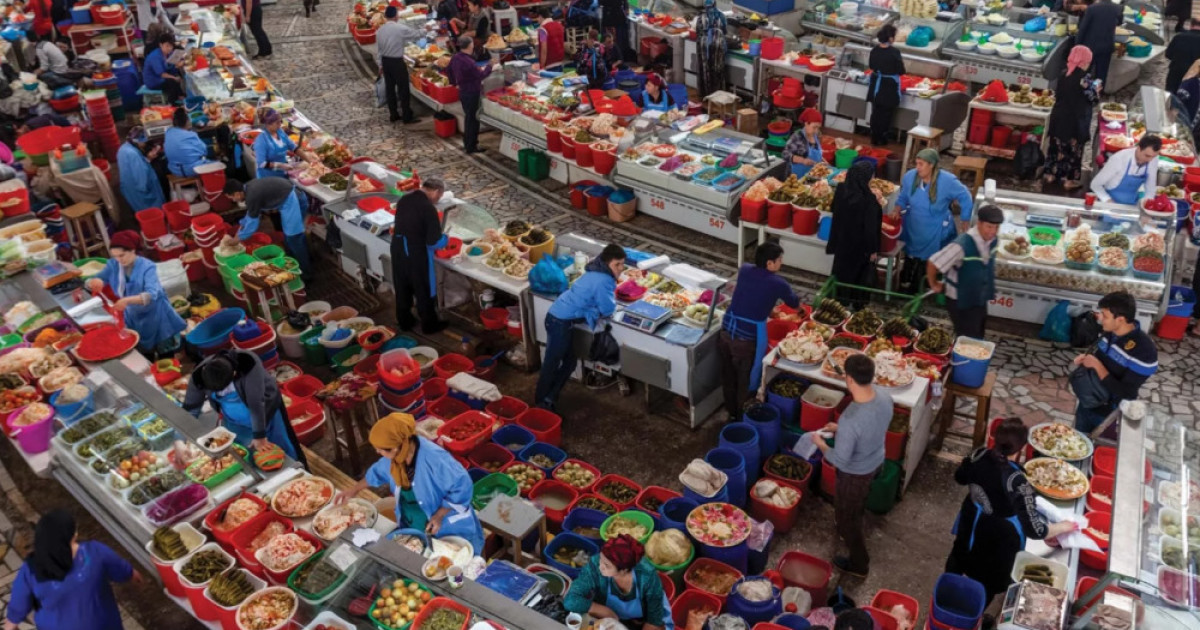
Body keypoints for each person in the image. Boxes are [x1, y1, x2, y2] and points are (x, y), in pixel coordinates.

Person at [945, 418, 1078, 615]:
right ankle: (971, 616)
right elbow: (1036, 530)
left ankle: (947, 600)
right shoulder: (1017, 481)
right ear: (1021, 450)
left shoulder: (978, 456)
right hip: (999, 539)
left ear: (994, 439)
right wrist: (1064, 527)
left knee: (961, 556)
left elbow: (960, 477)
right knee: (986, 580)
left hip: (971, 521)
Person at [337, 412, 485, 554]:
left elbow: (463, 486)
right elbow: (378, 472)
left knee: (453, 558)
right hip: (414, 520)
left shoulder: (436, 459)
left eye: (380, 450)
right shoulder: (397, 457)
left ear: (396, 447)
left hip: (446, 525)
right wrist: (354, 489)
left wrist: (440, 514)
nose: (377, 452)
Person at [811, 354, 893, 578]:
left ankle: (859, 564)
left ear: (848, 379)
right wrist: (840, 430)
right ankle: (855, 515)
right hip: (877, 460)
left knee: (848, 520)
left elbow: (840, 460)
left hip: (855, 474)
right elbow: (871, 427)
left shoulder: (851, 418)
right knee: (858, 504)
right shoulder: (885, 396)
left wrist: (821, 445)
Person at [5, 509, 141, 630]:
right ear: (73, 535)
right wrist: (136, 578)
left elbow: (17, 606)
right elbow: (125, 572)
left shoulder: (31, 569)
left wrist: (12, 623)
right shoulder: (95, 553)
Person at [535, 243, 624, 412]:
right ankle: (541, 403)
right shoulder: (604, 280)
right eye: (616, 264)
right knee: (552, 364)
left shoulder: (596, 270)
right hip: (559, 322)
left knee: (569, 362)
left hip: (557, 317)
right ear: (607, 263)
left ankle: (550, 397)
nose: (621, 268)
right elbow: (607, 309)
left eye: (622, 264)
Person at [720, 242, 801, 419]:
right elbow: (794, 302)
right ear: (769, 264)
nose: (781, 263)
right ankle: (741, 417)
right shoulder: (778, 283)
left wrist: (770, 310)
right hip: (745, 339)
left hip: (726, 331)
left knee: (729, 375)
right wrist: (798, 308)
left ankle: (731, 411)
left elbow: (752, 294)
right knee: (745, 379)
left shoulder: (745, 269)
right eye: (779, 259)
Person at [183, 349, 307, 463]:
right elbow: (190, 410)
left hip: (266, 413)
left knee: (282, 452)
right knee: (246, 456)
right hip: (233, 420)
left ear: (234, 374)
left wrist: (259, 436)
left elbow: (256, 403)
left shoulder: (248, 363)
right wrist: (180, 441)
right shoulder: (198, 377)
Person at [86, 231, 186, 357]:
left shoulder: (147, 267)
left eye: (122, 255)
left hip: (156, 315)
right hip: (134, 317)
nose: (119, 259)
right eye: (115, 256)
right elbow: (95, 279)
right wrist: (94, 281)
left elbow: (151, 294)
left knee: (165, 355)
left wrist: (127, 301)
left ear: (133, 250)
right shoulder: (113, 265)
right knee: (143, 353)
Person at [1072, 291, 1158, 432]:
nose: (1100, 319)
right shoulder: (1109, 332)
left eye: (1105, 316)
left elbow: (1127, 392)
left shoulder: (1144, 351)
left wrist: (1097, 366)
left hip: (1109, 413)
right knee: (1078, 439)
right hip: (1089, 399)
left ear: (1120, 319)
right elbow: (1100, 357)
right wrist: (1086, 359)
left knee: (1100, 446)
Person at [893, 148, 975, 294]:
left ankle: (921, 284)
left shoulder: (947, 181)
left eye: (921, 164)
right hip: (914, 223)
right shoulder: (910, 177)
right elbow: (903, 196)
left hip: (934, 226)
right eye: (916, 163)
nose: (917, 167)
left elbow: (965, 196)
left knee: (928, 258)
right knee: (911, 254)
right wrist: (897, 210)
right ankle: (905, 281)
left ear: (932, 165)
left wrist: (965, 219)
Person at [564, 535, 673, 630]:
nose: (600, 566)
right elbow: (571, 600)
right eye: (601, 559)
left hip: (639, 622)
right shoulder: (595, 566)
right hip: (604, 619)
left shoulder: (647, 577)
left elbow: (653, 621)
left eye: (606, 565)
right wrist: (604, 611)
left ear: (624, 570)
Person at [926, 204, 1003, 339]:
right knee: (967, 339)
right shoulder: (961, 245)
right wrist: (934, 284)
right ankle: (960, 359)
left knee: (978, 332)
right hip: (960, 300)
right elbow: (933, 262)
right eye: (989, 227)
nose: (993, 231)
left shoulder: (993, 240)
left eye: (996, 227)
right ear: (979, 223)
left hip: (978, 297)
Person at [391, 178, 449, 334]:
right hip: (415, 253)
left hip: (397, 248)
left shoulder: (404, 199)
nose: (438, 200)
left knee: (402, 285)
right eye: (439, 196)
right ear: (436, 191)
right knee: (423, 288)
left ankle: (405, 321)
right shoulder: (428, 208)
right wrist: (446, 239)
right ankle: (430, 325)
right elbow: (433, 242)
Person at [226, 178, 313, 280]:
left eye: (231, 198)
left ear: (237, 194)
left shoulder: (252, 196)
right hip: (291, 197)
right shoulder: (247, 188)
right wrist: (238, 232)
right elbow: (250, 215)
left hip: (294, 199)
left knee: (294, 238)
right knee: (290, 238)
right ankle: (297, 264)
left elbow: (252, 223)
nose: (233, 200)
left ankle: (306, 274)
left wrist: (237, 239)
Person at [826, 162, 884, 303]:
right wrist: (873, 251)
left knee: (840, 275)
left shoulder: (841, 189)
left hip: (841, 242)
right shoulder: (869, 200)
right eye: (871, 175)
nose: (872, 178)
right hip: (859, 248)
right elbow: (870, 229)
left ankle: (837, 302)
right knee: (858, 278)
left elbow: (834, 208)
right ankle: (855, 305)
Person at [1044, 46, 1101, 190]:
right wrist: (1097, 91)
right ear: (1083, 62)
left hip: (1059, 117)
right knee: (1073, 152)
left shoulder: (1064, 74)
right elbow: (1093, 99)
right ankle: (1069, 181)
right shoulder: (1084, 80)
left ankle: (1050, 175)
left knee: (1055, 148)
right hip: (1075, 121)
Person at [446, 35, 497, 154]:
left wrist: (454, 83)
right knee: (473, 120)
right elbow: (481, 76)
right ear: (470, 45)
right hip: (472, 93)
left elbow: (448, 70)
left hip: (463, 92)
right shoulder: (469, 62)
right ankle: (471, 146)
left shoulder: (456, 57)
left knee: (468, 118)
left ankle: (468, 143)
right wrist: (490, 66)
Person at [376, 6, 423, 124]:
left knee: (390, 89)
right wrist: (427, 29)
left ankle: (393, 114)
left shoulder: (380, 30)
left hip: (386, 62)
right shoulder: (399, 28)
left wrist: (380, 65)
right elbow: (415, 34)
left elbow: (379, 51)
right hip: (397, 62)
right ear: (396, 16)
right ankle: (407, 115)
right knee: (403, 89)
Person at [1089, 134, 1161, 205]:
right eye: (1147, 156)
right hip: (1110, 203)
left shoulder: (1153, 159)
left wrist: (1147, 205)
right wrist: (1108, 201)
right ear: (1139, 148)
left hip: (1132, 204)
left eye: (1154, 157)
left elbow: (1150, 188)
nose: (1150, 160)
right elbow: (1095, 184)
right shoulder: (1119, 159)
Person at [868, 24, 905, 146]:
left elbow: (872, 66)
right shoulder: (894, 52)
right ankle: (882, 138)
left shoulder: (874, 50)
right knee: (886, 114)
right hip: (888, 87)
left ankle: (874, 137)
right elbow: (901, 70)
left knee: (876, 112)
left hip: (876, 86)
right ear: (890, 38)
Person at [116, 126, 165, 213]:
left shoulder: (123, 148)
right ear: (138, 141)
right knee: (152, 212)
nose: (145, 144)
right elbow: (141, 179)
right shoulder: (134, 155)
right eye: (144, 142)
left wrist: (145, 159)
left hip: (128, 188)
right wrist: (149, 159)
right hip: (140, 192)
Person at [1076, 0, 1122, 88]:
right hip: (1106, 46)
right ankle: (1097, 95)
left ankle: (1084, 94)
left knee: (1085, 73)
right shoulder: (1118, 8)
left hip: (1090, 46)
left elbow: (1083, 29)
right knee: (1101, 74)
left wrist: (1077, 45)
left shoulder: (1092, 8)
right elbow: (1119, 22)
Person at [164, 107, 212, 177]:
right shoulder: (191, 135)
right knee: (215, 163)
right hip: (191, 170)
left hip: (174, 170)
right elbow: (204, 151)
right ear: (187, 122)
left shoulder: (168, 132)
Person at [782, 108, 826, 178]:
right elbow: (785, 154)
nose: (816, 130)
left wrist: (823, 161)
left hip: (813, 175)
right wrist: (803, 160)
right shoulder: (797, 137)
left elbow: (817, 154)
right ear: (806, 124)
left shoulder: (816, 135)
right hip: (797, 177)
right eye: (814, 127)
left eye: (818, 127)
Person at [695, 0, 727, 96]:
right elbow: (725, 31)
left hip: (703, 46)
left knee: (704, 68)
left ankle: (705, 94)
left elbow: (697, 30)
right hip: (718, 44)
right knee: (718, 69)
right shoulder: (721, 15)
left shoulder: (701, 16)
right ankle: (718, 94)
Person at [143, 34, 184, 104]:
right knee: (172, 81)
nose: (169, 48)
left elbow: (171, 64)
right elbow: (161, 74)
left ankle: (180, 96)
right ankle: (172, 102)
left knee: (176, 76)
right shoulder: (155, 56)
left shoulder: (168, 53)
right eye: (167, 46)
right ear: (161, 45)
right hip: (153, 81)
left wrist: (178, 64)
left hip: (161, 77)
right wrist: (174, 78)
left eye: (171, 46)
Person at [1167, 20, 1200, 94]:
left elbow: (1168, 54)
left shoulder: (1178, 36)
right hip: (1194, 76)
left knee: (1170, 96)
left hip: (1175, 72)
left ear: (1191, 26)